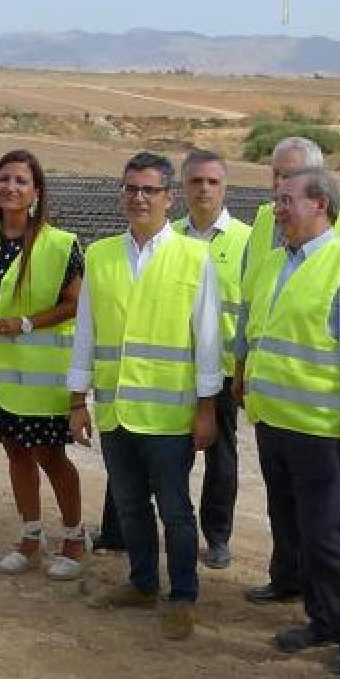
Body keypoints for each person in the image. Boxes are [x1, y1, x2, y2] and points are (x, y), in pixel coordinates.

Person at [68, 152, 222, 641]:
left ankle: (182, 596)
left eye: (149, 191)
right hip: (116, 411)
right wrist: (77, 400)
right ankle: (141, 582)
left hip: (170, 415)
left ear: (167, 198)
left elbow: (208, 339)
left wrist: (206, 408)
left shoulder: (194, 258)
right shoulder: (101, 255)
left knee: (175, 511)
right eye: (131, 188)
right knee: (130, 506)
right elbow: (87, 332)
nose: (138, 198)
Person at [235, 167, 340, 674]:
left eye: (286, 199)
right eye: (276, 200)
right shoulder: (276, 262)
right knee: (291, 525)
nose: (277, 208)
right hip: (275, 422)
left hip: (319, 428)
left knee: (325, 533)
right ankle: (319, 619)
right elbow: (259, 332)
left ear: (320, 204)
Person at [93, 150, 249, 569]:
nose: (204, 189)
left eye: (212, 182)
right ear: (180, 191)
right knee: (135, 455)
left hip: (225, 366)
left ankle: (216, 538)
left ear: (224, 188)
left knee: (220, 457)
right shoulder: (169, 236)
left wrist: (239, 369)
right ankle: (116, 533)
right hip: (162, 376)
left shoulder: (246, 241)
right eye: (196, 181)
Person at [0, 149, 87, 580]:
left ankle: (73, 537)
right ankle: (31, 536)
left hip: (41, 380)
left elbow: (75, 304)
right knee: (15, 452)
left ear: (36, 193)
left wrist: (27, 323)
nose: (10, 187)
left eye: (20, 181)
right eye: (4, 179)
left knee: (50, 455)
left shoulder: (61, 244)